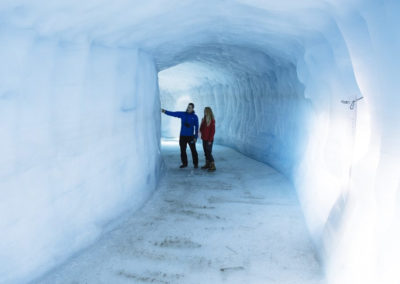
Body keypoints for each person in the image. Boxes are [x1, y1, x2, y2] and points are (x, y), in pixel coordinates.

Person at [161, 103, 199, 168]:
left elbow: (197, 127)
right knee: (183, 150)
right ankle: (184, 163)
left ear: (192, 108)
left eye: (190, 107)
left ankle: (195, 164)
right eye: (188, 107)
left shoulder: (195, 117)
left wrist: (195, 137)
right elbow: (173, 114)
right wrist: (165, 111)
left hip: (190, 137)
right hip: (183, 136)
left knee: (193, 150)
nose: (188, 108)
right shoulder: (183, 114)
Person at [199, 107, 216, 172]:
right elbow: (201, 129)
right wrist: (202, 122)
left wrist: (210, 140)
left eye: (205, 111)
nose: (204, 112)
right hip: (204, 138)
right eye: (204, 111)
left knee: (208, 152)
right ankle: (207, 164)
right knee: (206, 152)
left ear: (208, 112)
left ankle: (213, 165)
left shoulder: (212, 120)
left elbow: (212, 131)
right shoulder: (204, 120)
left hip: (209, 140)